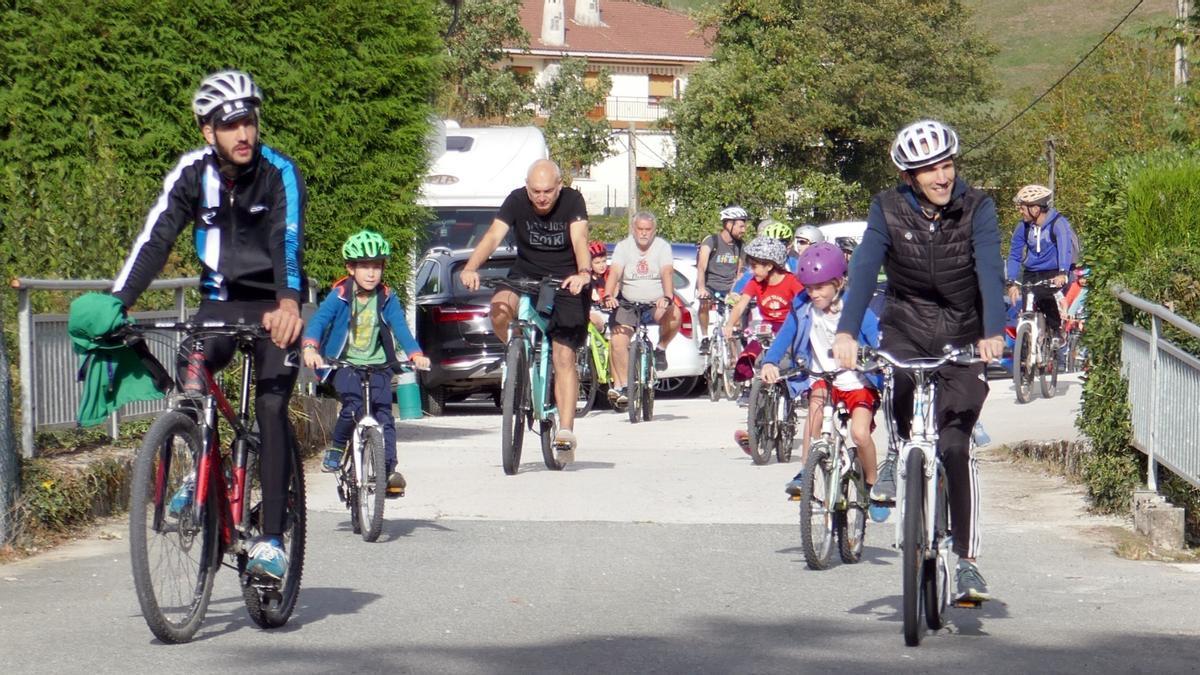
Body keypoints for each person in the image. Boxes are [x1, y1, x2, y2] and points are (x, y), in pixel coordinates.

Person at [111, 70, 306, 580]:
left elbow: (288, 240)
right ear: (207, 131)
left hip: (273, 308)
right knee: (192, 382)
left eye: (249, 121)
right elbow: (156, 238)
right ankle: (200, 465)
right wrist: (118, 302)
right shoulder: (192, 173)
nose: (243, 134)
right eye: (230, 124)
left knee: (269, 404)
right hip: (219, 304)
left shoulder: (280, 171)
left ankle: (270, 538)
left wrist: (288, 304)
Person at [832, 119, 1006, 604]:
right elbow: (865, 265)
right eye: (930, 169)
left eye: (947, 165)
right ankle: (894, 456)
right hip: (907, 323)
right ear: (909, 176)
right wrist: (847, 329)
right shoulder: (886, 208)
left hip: (964, 333)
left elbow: (989, 268)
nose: (942, 177)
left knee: (955, 444)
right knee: (901, 385)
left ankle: (967, 560)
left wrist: (993, 331)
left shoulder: (977, 207)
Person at [459, 159, 591, 462]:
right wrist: (470, 267)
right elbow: (493, 236)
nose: (542, 197)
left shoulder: (573, 201)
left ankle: (565, 433)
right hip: (525, 274)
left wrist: (583, 272)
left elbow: (579, 238)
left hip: (566, 279)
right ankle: (516, 355)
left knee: (563, 355)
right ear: (527, 187)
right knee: (500, 307)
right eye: (535, 191)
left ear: (559, 186)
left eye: (547, 191)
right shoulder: (516, 199)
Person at [302, 230, 431, 496]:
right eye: (364, 267)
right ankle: (338, 446)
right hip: (344, 363)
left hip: (379, 365)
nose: (371, 273)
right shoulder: (338, 295)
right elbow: (318, 322)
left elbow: (400, 328)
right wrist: (310, 347)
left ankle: (388, 470)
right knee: (354, 405)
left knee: (384, 415)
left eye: (377, 267)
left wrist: (415, 354)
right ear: (351, 268)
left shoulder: (386, 297)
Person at [760, 243, 883, 509]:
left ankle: (873, 487)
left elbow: (876, 336)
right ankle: (805, 472)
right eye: (809, 287)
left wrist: (880, 360)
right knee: (814, 413)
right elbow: (786, 335)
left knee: (860, 434)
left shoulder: (856, 307)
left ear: (838, 282)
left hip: (858, 382)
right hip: (824, 378)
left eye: (820, 287)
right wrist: (770, 361)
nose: (813, 293)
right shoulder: (803, 305)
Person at [724, 236, 804, 425]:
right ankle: (756, 404)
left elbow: (803, 308)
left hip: (789, 328)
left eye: (755, 266)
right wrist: (729, 324)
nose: (752, 270)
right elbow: (741, 305)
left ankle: (789, 399)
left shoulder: (791, 282)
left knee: (786, 363)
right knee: (753, 358)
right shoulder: (755, 283)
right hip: (768, 327)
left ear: (769, 265)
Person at [602, 212, 679, 405]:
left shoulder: (662, 247)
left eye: (648, 230)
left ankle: (661, 348)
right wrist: (608, 294)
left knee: (675, 314)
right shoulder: (623, 247)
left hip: (655, 303)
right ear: (633, 229)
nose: (644, 233)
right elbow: (615, 272)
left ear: (654, 231)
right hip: (629, 302)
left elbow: (666, 272)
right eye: (640, 229)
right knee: (618, 341)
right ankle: (627, 386)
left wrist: (667, 297)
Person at [1006, 184, 1073, 342]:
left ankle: (1057, 332)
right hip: (1031, 272)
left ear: (1035, 209)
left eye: (1022, 208)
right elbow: (1015, 255)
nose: (1020, 211)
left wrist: (1063, 273)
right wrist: (1012, 282)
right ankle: (1026, 350)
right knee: (1026, 305)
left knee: (1044, 297)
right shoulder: (1023, 227)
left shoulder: (1058, 224)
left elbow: (1065, 248)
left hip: (1054, 272)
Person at [696, 206, 749, 354]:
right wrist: (701, 289)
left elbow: (739, 273)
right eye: (741, 226)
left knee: (735, 320)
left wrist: (735, 292)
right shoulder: (711, 241)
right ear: (728, 224)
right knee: (704, 303)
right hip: (710, 285)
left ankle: (733, 356)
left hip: (729, 288)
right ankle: (705, 337)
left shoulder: (740, 245)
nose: (744, 230)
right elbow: (701, 267)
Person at [730, 219, 798, 295]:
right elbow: (745, 279)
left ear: (789, 246)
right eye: (769, 245)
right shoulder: (759, 266)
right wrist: (734, 294)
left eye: (779, 245)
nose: (773, 249)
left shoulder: (794, 265)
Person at [588, 240, 611, 331]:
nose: (602, 266)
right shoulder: (586, 277)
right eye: (597, 263)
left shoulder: (610, 275)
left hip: (607, 314)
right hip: (590, 311)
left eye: (604, 261)